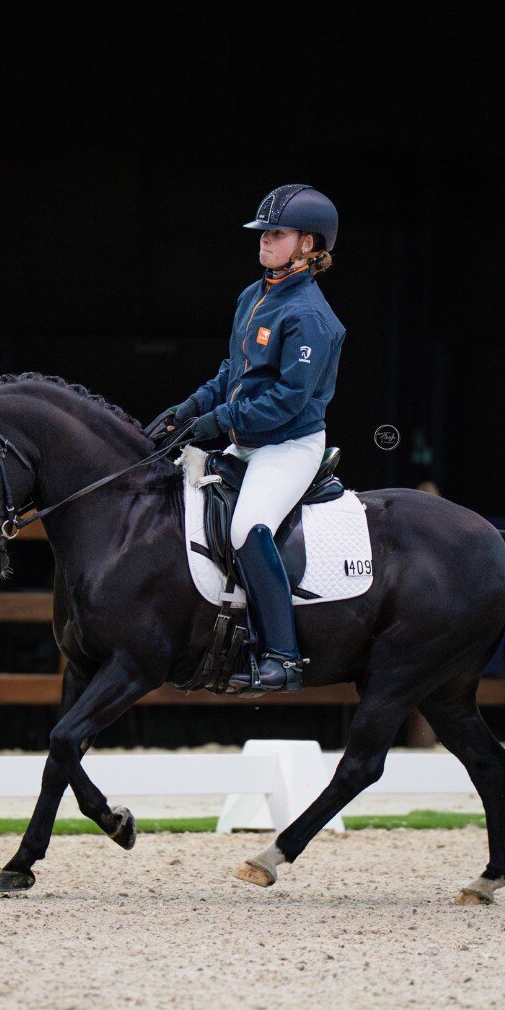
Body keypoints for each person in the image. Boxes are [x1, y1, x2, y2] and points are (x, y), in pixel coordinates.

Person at [144, 184, 346, 693]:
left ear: (308, 244)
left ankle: (285, 657)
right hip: (248, 436)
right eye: (264, 232)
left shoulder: (312, 317)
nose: (265, 241)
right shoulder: (253, 296)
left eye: (277, 234)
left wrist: (219, 424)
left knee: (247, 527)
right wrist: (191, 407)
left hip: (289, 445)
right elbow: (233, 371)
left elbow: (287, 401)